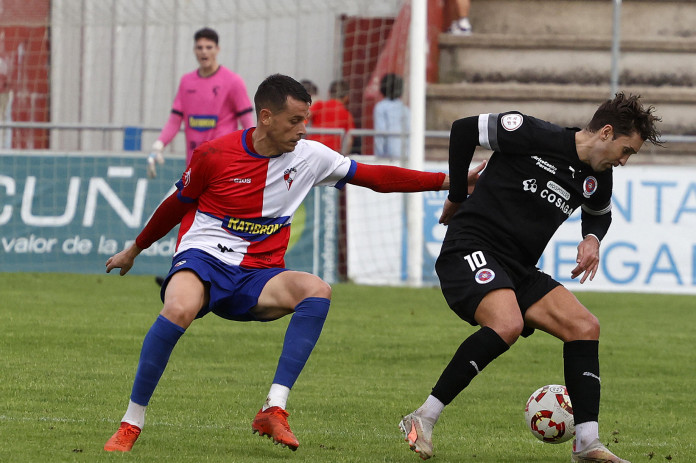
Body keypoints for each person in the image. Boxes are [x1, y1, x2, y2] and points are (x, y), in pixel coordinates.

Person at [103, 74, 484, 453]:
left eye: (306, 120)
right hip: (204, 258)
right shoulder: (213, 155)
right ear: (266, 117)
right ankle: (131, 422)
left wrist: (450, 181)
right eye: (295, 120)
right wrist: (135, 249)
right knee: (178, 307)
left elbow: (374, 177)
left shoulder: (311, 157)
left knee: (317, 290)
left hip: (259, 273)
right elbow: (177, 205)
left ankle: (274, 407)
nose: (303, 129)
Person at [399, 93, 662, 462]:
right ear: (605, 132)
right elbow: (463, 130)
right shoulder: (531, 132)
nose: (624, 160)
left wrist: (592, 238)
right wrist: (457, 195)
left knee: (584, 326)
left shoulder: (597, 177)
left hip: (518, 266)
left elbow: (599, 214)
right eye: (626, 150)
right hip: (472, 244)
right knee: (507, 323)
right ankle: (423, 417)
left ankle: (587, 443)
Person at [146, 27, 254, 178]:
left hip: (224, 164)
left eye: (209, 47)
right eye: (199, 47)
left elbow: (248, 123)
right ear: (194, 50)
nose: (204, 52)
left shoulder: (233, 81)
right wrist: (159, 145)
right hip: (193, 165)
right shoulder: (186, 82)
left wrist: (254, 154)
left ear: (217, 49)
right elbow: (174, 121)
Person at [307, 79, 355, 153]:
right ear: (347, 97)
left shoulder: (319, 105)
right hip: (333, 153)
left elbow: (304, 117)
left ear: (329, 93)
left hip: (312, 150)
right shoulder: (347, 115)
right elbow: (349, 141)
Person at [373, 73, 410, 159]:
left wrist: (379, 155)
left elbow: (380, 133)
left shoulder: (380, 107)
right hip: (407, 154)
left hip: (388, 154)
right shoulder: (406, 109)